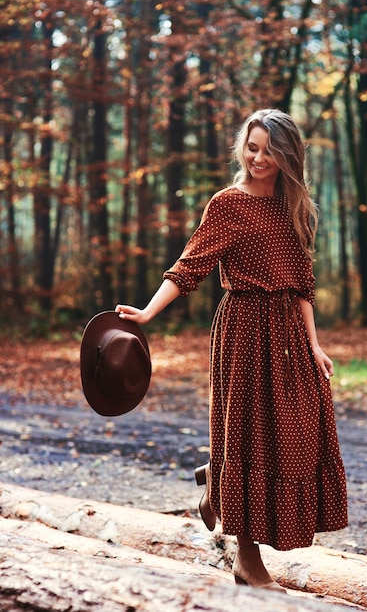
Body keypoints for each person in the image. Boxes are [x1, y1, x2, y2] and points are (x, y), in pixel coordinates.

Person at [115, 108, 348, 592]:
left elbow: (303, 283)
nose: (258, 158)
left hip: (288, 332)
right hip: (244, 329)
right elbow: (190, 265)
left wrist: (315, 344)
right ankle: (246, 558)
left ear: (289, 155)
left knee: (295, 429)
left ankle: (215, 488)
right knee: (248, 434)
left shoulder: (293, 206)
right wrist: (147, 313)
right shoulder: (227, 204)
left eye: (270, 151)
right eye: (252, 147)